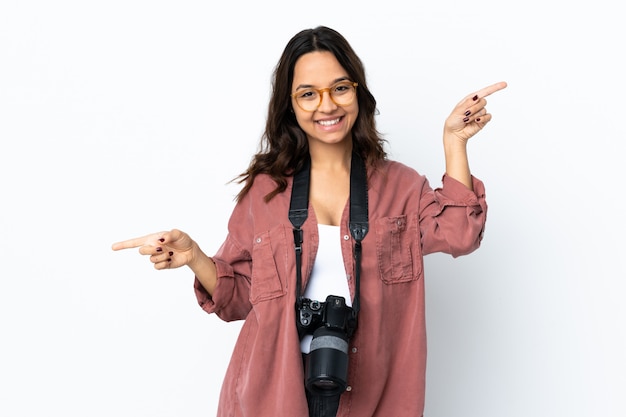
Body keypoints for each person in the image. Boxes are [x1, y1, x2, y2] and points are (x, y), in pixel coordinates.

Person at [112, 26, 507, 417]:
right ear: (291, 105)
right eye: (308, 94)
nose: (327, 105)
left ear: (358, 92)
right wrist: (195, 257)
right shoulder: (267, 191)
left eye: (340, 88)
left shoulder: (401, 187)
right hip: (273, 393)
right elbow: (237, 300)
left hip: (376, 395)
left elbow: (460, 234)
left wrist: (455, 143)